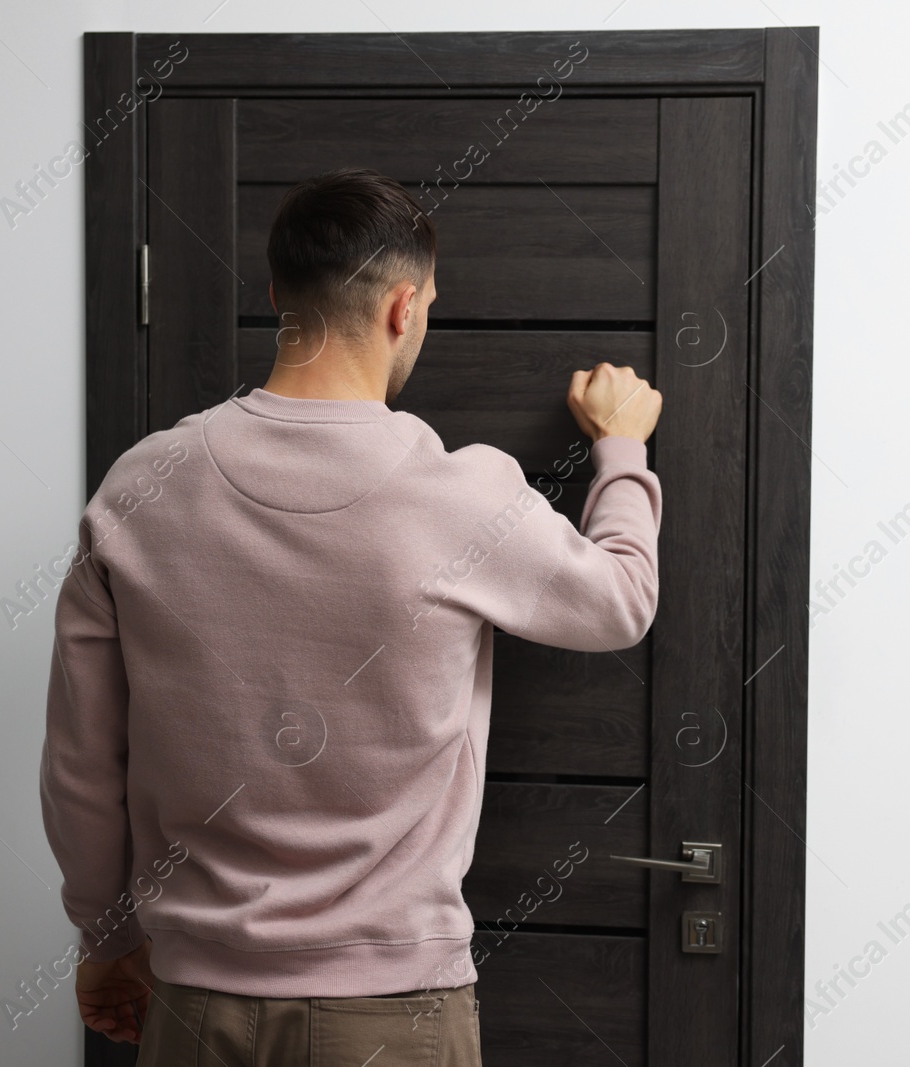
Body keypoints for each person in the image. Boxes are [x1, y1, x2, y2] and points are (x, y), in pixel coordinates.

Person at [40, 167, 663, 1066]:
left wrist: (103, 941)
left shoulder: (141, 484)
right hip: (398, 1011)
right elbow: (622, 599)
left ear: (277, 299)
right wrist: (621, 445)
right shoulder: (463, 494)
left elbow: (82, 764)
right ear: (404, 308)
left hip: (196, 1001)